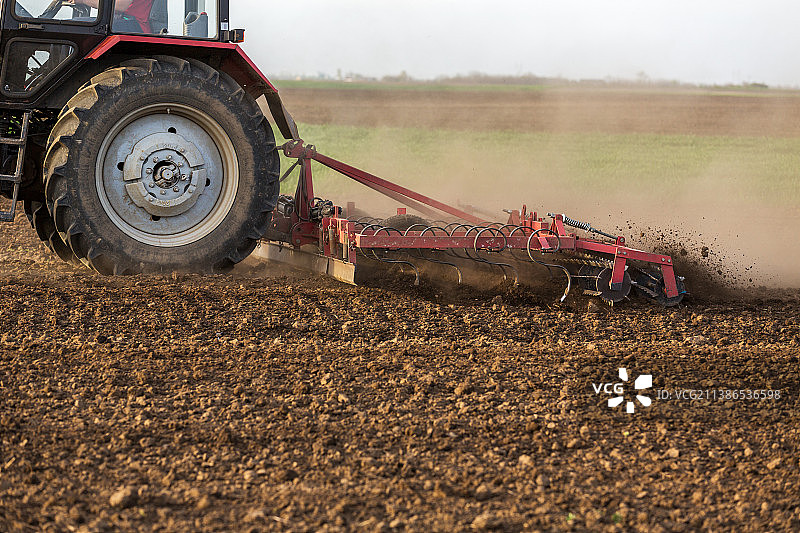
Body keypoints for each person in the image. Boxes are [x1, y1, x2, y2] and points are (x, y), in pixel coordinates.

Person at [70, 0, 155, 33]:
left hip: (137, 26)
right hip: (122, 21)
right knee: (73, 22)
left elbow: (120, 5)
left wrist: (82, 0)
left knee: (73, 26)